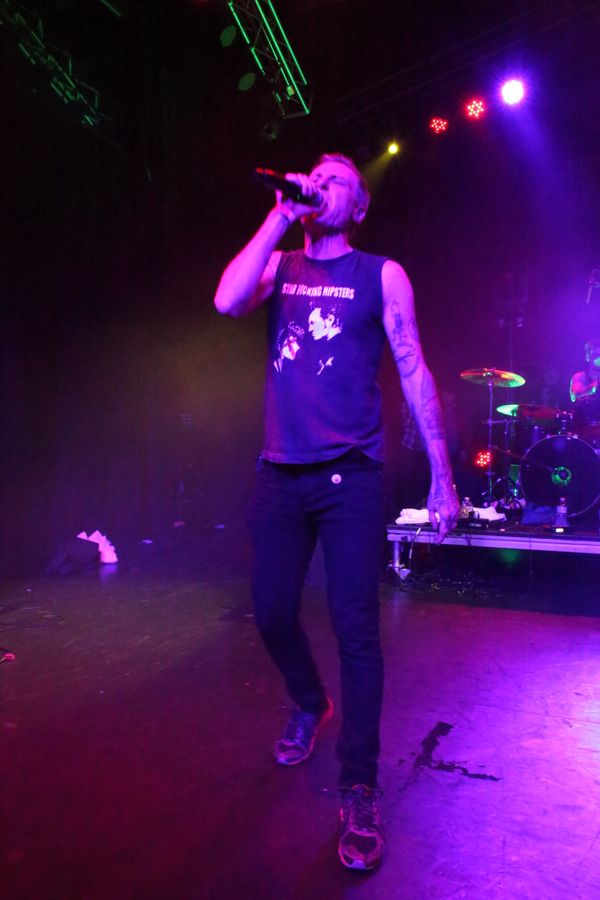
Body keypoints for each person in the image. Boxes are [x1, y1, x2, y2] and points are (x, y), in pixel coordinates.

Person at [214, 153, 459, 871]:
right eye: (315, 176)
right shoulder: (280, 263)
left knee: (357, 632)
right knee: (270, 611)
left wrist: (442, 475)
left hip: (351, 474)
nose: (321, 184)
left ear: (358, 207)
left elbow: (412, 367)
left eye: (337, 181)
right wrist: (279, 216)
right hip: (280, 470)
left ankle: (358, 788)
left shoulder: (381, 274)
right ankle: (307, 701)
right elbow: (227, 301)